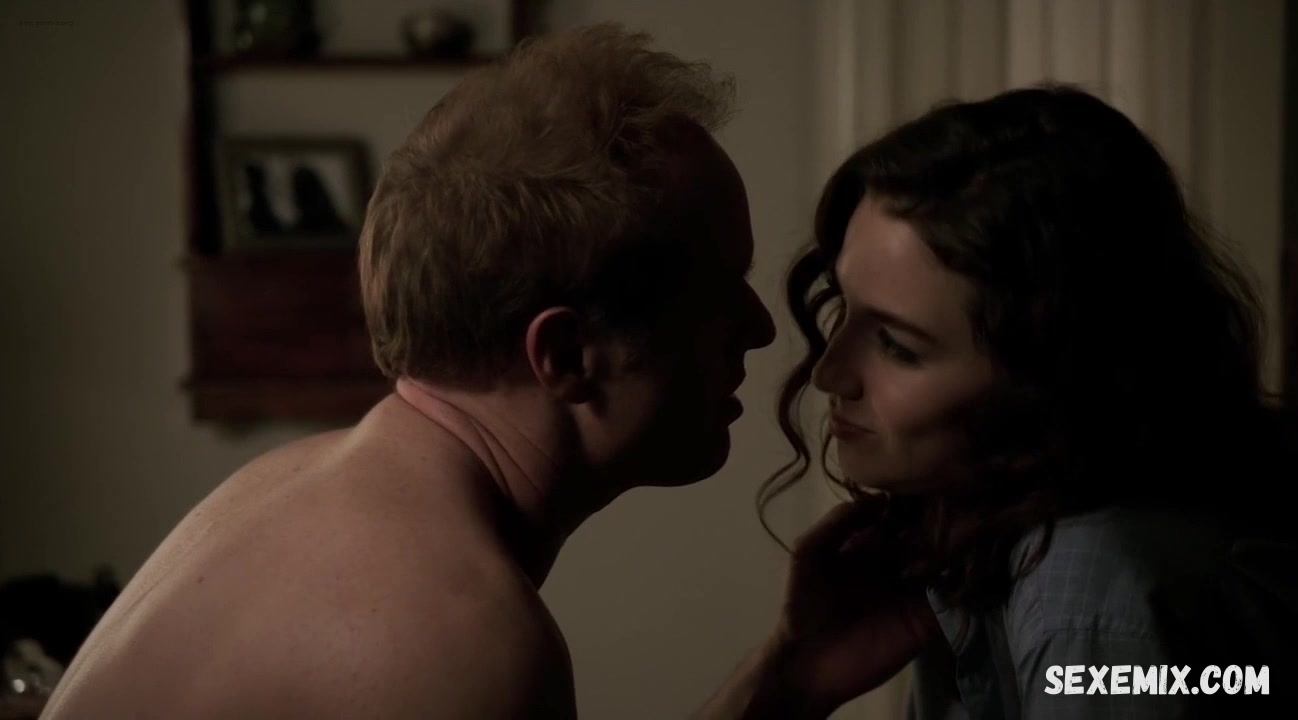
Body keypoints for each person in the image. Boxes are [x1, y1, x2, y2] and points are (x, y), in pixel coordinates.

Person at [37, 22, 817, 718]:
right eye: (719, 290)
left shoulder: (291, 484)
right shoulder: (465, 647)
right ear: (566, 356)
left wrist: (786, 681)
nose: (758, 328)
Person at [717, 84, 1298, 718]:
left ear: (1055, 379)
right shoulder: (982, 548)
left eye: (897, 345)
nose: (830, 372)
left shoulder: (1089, 601)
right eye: (843, 306)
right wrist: (794, 678)